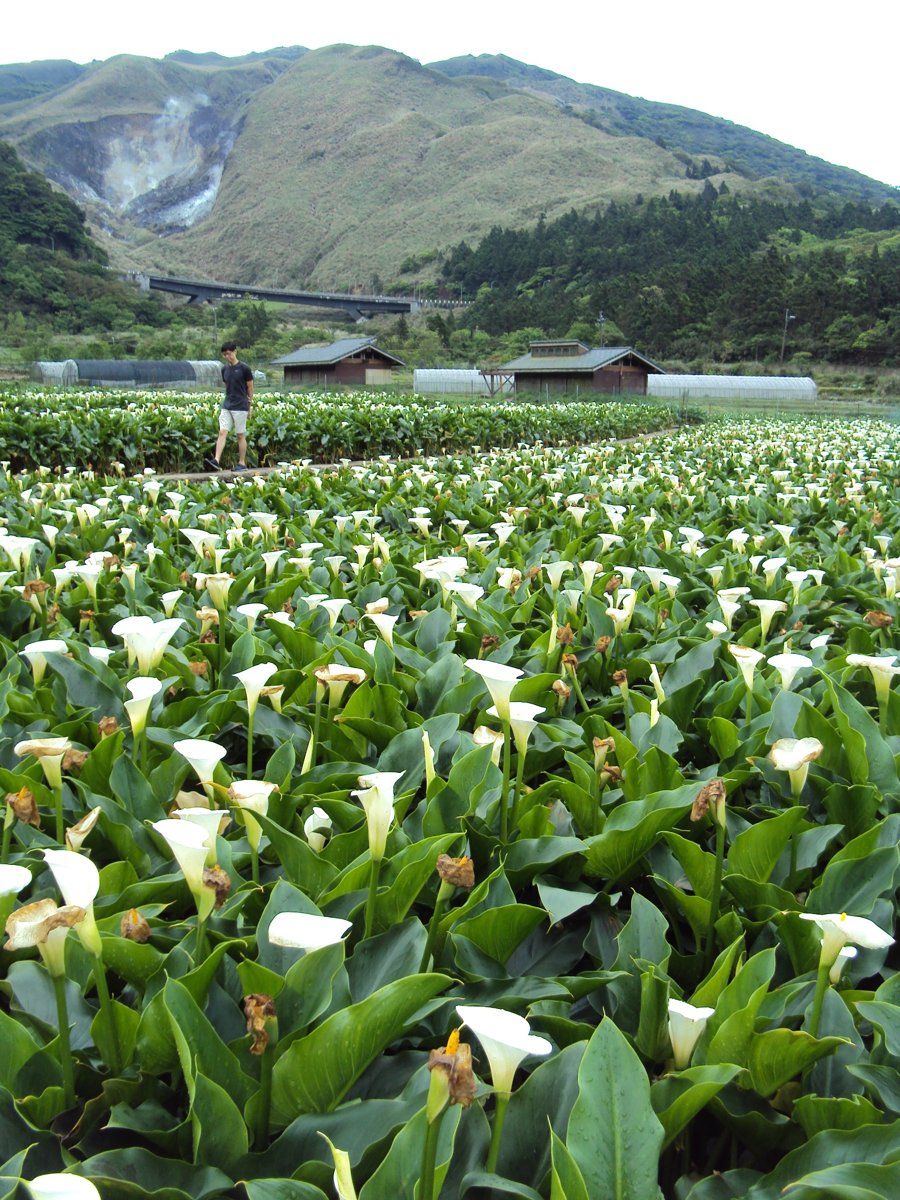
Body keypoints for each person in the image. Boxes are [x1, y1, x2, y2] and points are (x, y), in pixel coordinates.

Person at [205, 342, 253, 472]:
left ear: (235, 352)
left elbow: (250, 387)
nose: (228, 356)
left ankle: (242, 463)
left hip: (240, 405)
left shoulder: (244, 369)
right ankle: (216, 460)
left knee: (240, 435)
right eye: (225, 354)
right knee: (222, 431)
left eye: (229, 353)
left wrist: (250, 405)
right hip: (227, 405)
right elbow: (228, 385)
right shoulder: (224, 369)